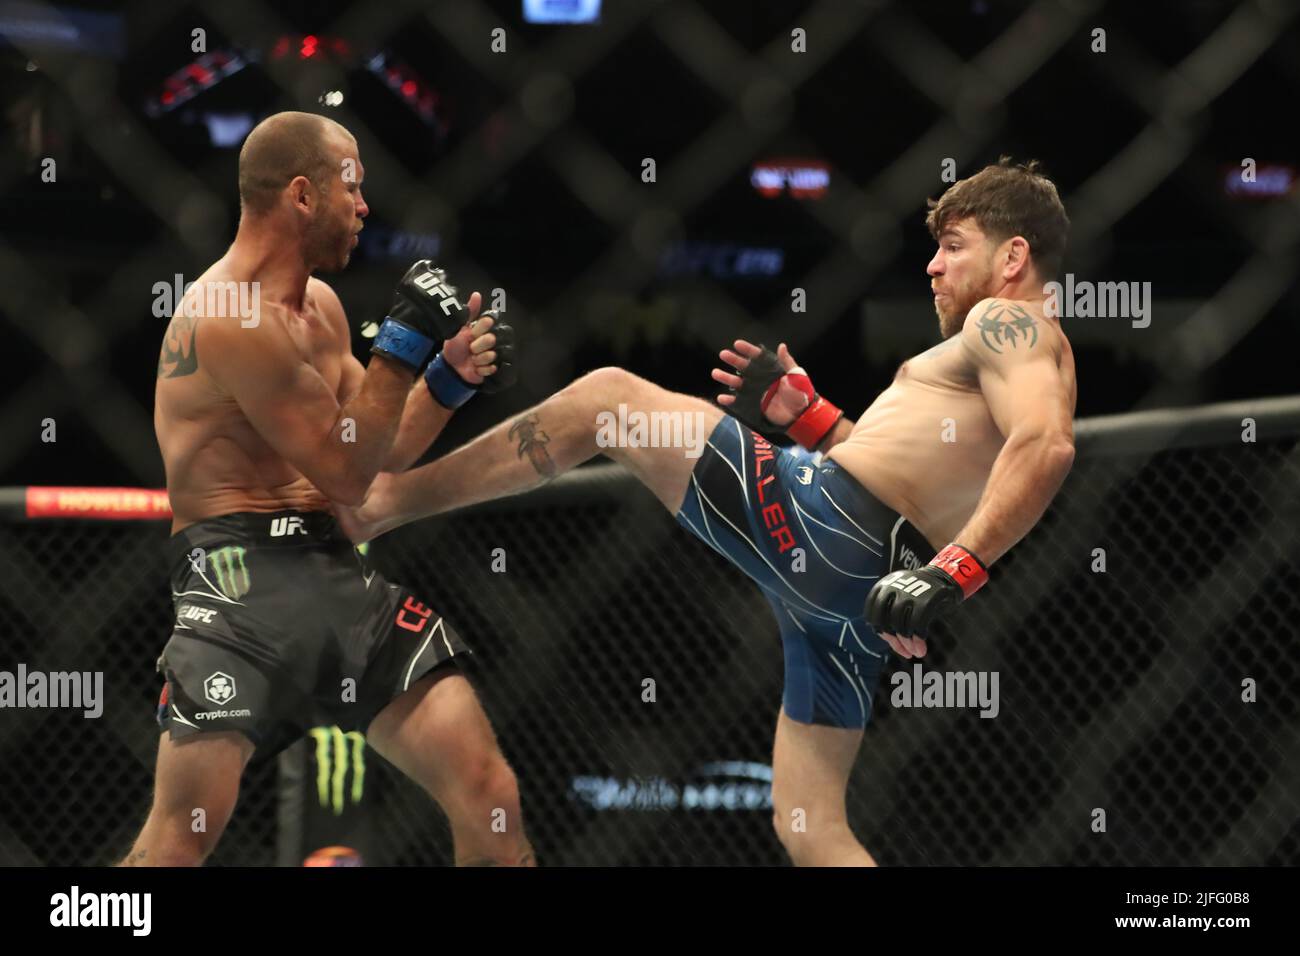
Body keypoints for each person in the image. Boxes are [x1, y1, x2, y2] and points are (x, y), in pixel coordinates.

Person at [336, 158, 1076, 866]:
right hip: (861, 590)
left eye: (952, 247)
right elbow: (905, 469)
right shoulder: (1003, 352)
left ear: (1014, 257)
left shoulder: (1011, 326)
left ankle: (383, 505)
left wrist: (955, 572)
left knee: (609, 401)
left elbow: (1045, 446)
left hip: (835, 531)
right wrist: (810, 416)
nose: (933, 266)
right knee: (808, 821)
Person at [124, 111, 532, 866]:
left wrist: (447, 379)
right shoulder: (227, 315)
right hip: (235, 583)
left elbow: (375, 450)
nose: (366, 206)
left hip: (333, 568)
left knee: (488, 790)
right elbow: (345, 469)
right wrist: (404, 346)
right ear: (304, 195)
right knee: (181, 839)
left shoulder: (323, 310)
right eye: (354, 185)